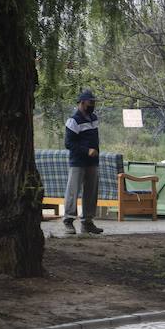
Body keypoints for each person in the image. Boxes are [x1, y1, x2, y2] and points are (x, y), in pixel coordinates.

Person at [63, 89, 103, 234]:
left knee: (91, 192)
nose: (92, 105)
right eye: (90, 102)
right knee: (73, 191)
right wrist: (86, 151)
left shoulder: (94, 118)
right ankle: (68, 221)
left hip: (93, 162)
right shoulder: (73, 121)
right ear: (82, 102)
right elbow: (69, 143)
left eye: (93, 102)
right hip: (78, 162)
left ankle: (87, 222)